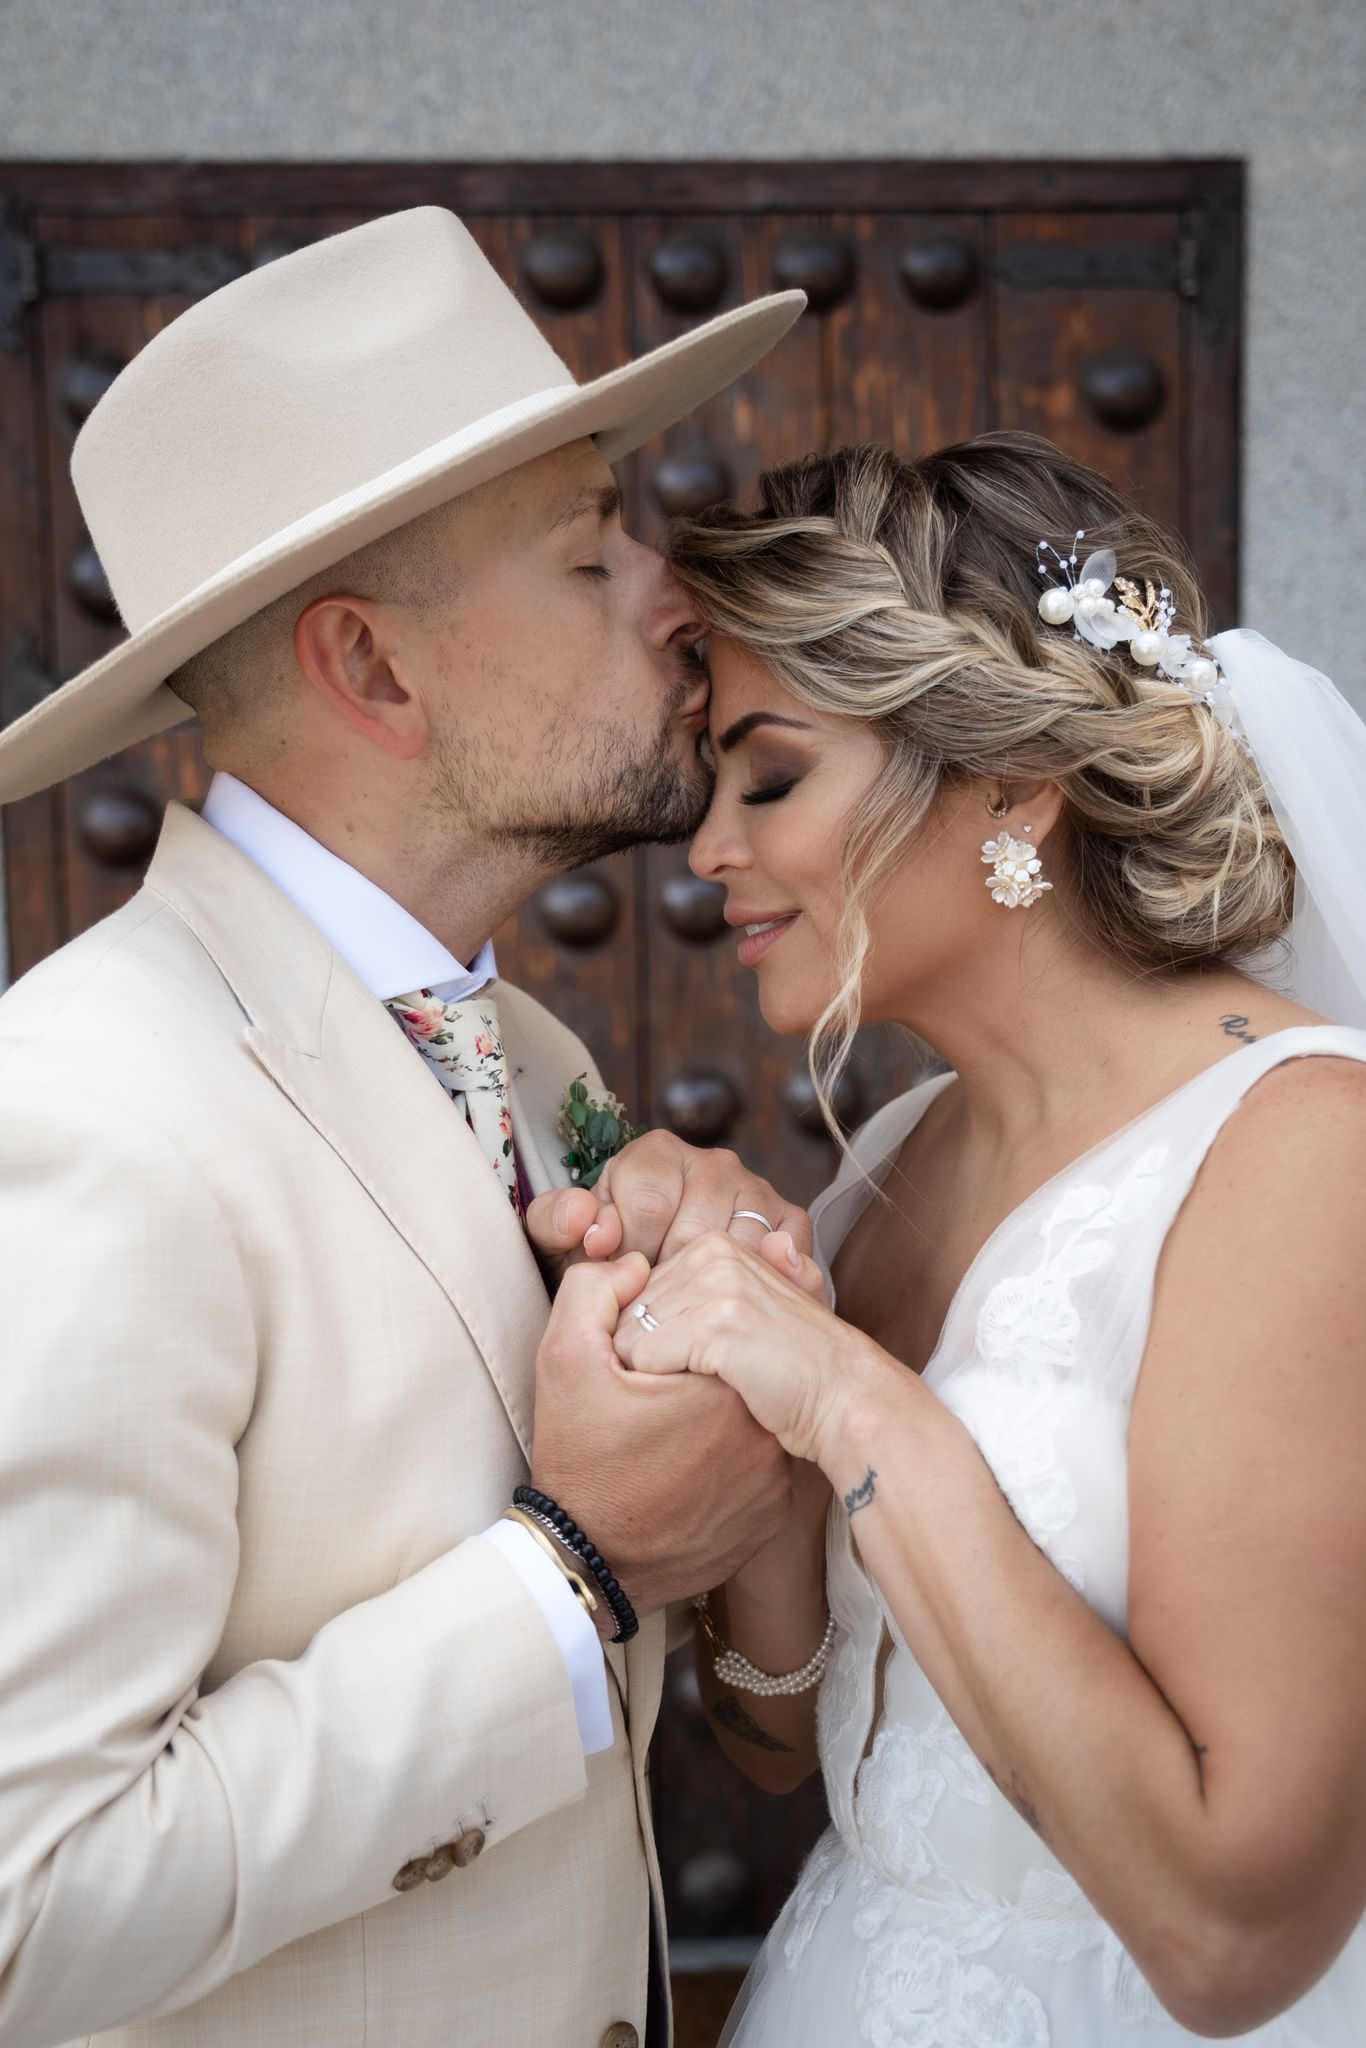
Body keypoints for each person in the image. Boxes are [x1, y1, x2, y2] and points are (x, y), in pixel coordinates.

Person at [0, 206, 814, 2048]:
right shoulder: (80, 1113)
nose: (674, 599)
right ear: (372, 671)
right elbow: (22, 1913)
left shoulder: (525, 1052)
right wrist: (569, 1571)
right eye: (591, 550)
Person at [606, 433, 1366, 2044]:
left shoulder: (1301, 1156)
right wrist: (715, 1329)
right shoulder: (888, 1163)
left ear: (1008, 780)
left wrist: (851, 1401)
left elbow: (1236, 1943)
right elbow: (788, 1740)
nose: (709, 856)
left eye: (771, 776)